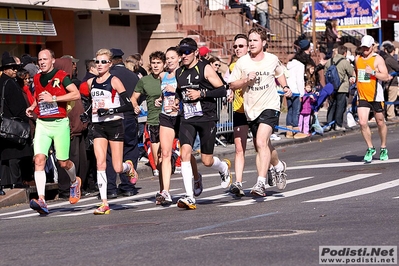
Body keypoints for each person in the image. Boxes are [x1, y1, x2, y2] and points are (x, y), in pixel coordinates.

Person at [229, 27, 292, 197]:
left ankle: (260, 183)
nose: (251, 44)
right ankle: (278, 166)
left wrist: (285, 86)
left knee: (261, 142)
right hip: (251, 109)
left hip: (270, 106)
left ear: (264, 43)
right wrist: (245, 80)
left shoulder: (272, 59)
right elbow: (232, 84)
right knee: (262, 145)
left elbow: (279, 73)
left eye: (255, 40)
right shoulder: (242, 63)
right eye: (250, 41)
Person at [174, 37, 231, 210]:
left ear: (195, 52)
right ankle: (189, 196)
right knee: (185, 152)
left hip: (206, 117)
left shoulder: (204, 68)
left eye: (186, 52)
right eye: (180, 52)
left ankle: (223, 167)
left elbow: (222, 89)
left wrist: (201, 94)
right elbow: (180, 90)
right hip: (188, 118)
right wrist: (177, 100)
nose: (183, 56)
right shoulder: (180, 72)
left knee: (206, 160)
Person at [26, 49, 82, 215]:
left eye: (45, 59)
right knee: (39, 159)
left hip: (59, 123)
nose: (42, 62)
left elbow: (76, 94)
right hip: (43, 123)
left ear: (52, 60)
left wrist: (54, 99)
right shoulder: (36, 77)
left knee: (63, 162)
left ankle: (74, 181)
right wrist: (33, 107)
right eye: (40, 60)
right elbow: (39, 95)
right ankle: (41, 199)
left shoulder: (61, 75)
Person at [87, 48, 137, 215]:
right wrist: (86, 114)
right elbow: (91, 104)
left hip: (114, 124)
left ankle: (128, 166)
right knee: (100, 163)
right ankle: (104, 202)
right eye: (97, 62)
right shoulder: (91, 82)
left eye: (103, 62)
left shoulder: (114, 80)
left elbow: (128, 105)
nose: (99, 65)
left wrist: (109, 111)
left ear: (109, 64)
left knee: (116, 167)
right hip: (98, 126)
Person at [155, 46, 200, 205]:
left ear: (179, 59)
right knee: (165, 153)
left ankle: (196, 175)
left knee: (185, 153)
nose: (169, 61)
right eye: (167, 59)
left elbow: (187, 93)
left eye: (172, 58)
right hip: (166, 116)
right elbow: (163, 93)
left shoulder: (183, 74)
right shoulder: (163, 76)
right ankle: (166, 191)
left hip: (182, 116)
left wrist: (176, 97)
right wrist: (160, 99)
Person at [107, 48, 140, 197]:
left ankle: (110, 187)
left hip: (112, 117)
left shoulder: (108, 76)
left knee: (110, 152)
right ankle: (127, 185)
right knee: (130, 148)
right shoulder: (133, 76)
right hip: (129, 116)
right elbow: (141, 94)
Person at [0, 53, 33, 190]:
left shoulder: (2, 81)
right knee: (16, 154)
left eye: (15, 68)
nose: (15, 70)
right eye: (12, 68)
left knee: (5, 156)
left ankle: (5, 182)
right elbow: (18, 107)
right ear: (5, 69)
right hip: (13, 125)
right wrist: (26, 120)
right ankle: (16, 182)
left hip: (3, 123)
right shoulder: (10, 84)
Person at [355, 35, 390, 163]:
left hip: (376, 95)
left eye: (367, 47)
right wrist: (353, 78)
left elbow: (386, 76)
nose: (365, 50)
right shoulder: (357, 59)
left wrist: (373, 73)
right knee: (363, 122)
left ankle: (383, 147)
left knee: (380, 122)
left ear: (372, 46)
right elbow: (357, 73)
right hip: (362, 95)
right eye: (363, 47)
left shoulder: (378, 59)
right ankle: (370, 148)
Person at [132, 51, 164, 181]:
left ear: (164, 64)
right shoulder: (144, 81)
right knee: (157, 158)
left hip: (169, 119)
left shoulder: (170, 77)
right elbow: (133, 97)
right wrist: (135, 106)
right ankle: (163, 176)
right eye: (153, 63)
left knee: (166, 153)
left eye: (159, 63)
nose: (156, 66)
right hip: (153, 120)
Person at [324, 45, 356, 131]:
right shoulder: (345, 62)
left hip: (331, 87)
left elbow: (325, 73)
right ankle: (338, 124)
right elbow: (351, 72)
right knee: (340, 106)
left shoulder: (329, 61)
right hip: (342, 87)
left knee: (332, 105)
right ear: (345, 53)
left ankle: (329, 124)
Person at [381, 43, 399, 122]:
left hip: (388, 82)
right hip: (392, 82)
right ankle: (391, 116)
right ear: (393, 50)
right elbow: (398, 67)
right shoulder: (390, 59)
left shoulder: (384, 58)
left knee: (391, 98)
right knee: (391, 99)